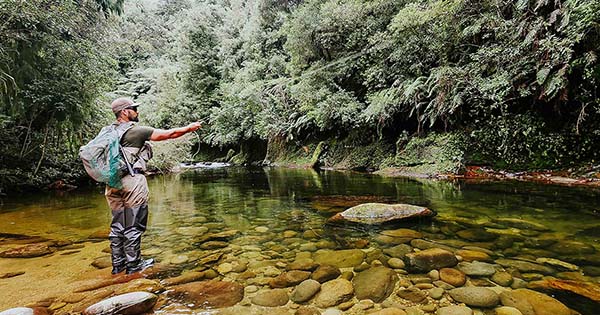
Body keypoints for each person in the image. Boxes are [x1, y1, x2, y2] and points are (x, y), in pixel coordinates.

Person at [106, 97, 201, 275]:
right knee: (133, 224)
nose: (137, 111)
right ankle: (134, 265)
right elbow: (169, 134)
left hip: (111, 183)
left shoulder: (108, 132)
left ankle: (118, 265)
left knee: (117, 225)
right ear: (125, 112)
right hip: (132, 181)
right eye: (134, 108)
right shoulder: (136, 131)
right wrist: (189, 128)